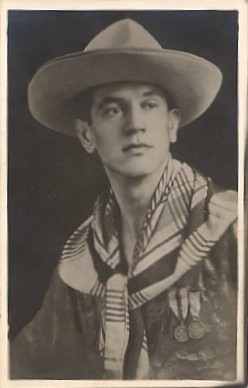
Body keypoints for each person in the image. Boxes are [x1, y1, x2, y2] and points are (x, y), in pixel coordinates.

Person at [9, 18, 237, 381]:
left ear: (172, 125)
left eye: (149, 105)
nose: (135, 125)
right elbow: (21, 369)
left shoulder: (231, 232)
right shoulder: (83, 260)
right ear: (86, 135)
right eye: (113, 110)